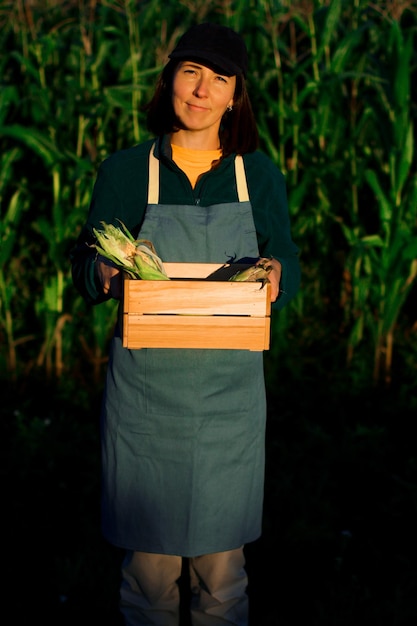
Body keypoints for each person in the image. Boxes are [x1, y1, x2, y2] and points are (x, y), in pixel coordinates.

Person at [71, 21, 301, 626]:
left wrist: (277, 273)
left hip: (230, 405)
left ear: (235, 96)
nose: (201, 91)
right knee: (148, 579)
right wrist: (104, 272)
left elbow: (289, 262)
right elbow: (84, 258)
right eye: (190, 72)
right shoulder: (125, 171)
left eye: (218, 79)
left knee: (223, 578)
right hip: (146, 401)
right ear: (170, 79)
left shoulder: (259, 176)